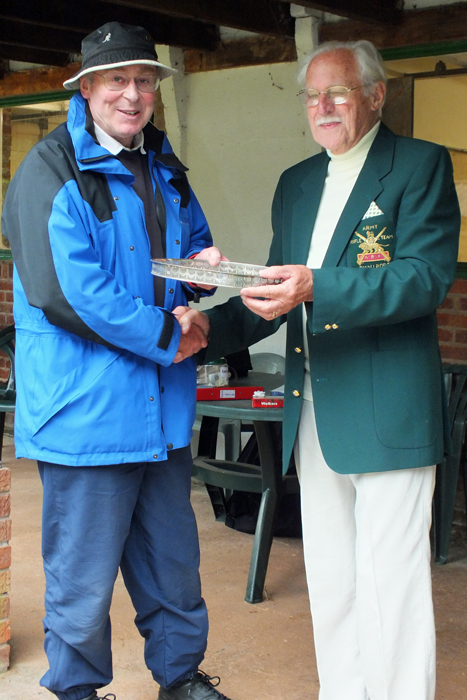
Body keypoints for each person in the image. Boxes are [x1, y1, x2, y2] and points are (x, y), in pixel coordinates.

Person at [175, 40, 461, 700]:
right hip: (314, 413)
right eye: (311, 95)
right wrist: (207, 332)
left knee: (391, 581)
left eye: (337, 92)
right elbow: (275, 293)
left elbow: (422, 280)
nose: (322, 106)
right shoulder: (296, 183)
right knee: (331, 579)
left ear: (375, 95)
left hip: (388, 409)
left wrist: (315, 288)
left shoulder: (417, 166)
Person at [1, 21, 234, 700]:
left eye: (143, 81)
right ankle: (75, 691)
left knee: (173, 566)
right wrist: (172, 335)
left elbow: (182, 254)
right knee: (81, 578)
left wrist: (200, 277)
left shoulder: (163, 166)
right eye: (116, 81)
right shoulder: (48, 171)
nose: (131, 95)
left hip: (158, 414)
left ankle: (181, 679)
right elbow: (67, 293)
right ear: (87, 88)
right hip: (87, 416)